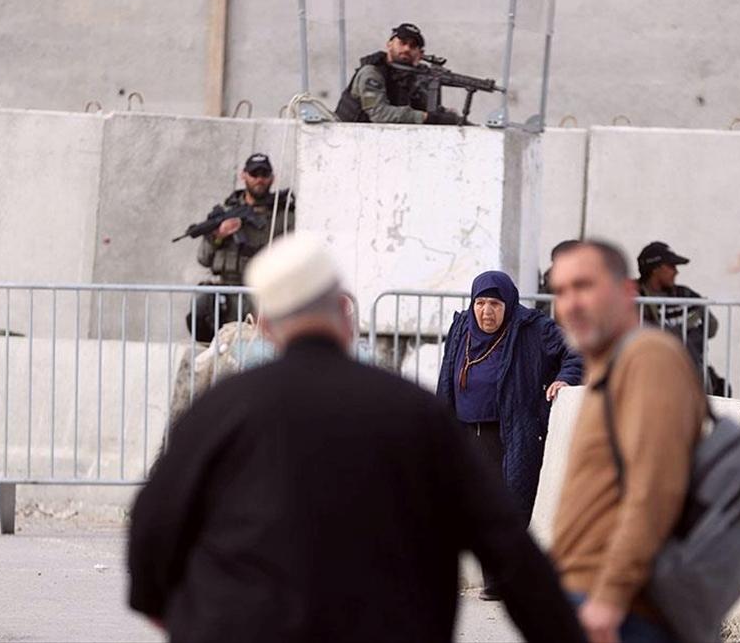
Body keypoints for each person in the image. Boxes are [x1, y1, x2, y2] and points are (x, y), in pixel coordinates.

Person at [129, 234, 585, 643]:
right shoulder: (413, 413)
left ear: (266, 327)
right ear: (346, 321)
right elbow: (503, 542)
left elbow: (152, 530)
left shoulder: (219, 410)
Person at [547, 240, 707, 643]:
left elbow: (655, 489)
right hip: (592, 595)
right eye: (560, 291)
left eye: (584, 286)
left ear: (627, 292)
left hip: (623, 606)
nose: (570, 303)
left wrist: (611, 596)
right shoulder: (608, 363)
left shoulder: (648, 357)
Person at [436, 270, 583, 600]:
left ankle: (503, 582)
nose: (486, 312)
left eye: (495, 304)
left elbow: (575, 351)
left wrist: (565, 379)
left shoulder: (532, 327)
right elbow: (447, 374)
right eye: (481, 303)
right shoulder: (462, 328)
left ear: (509, 304)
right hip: (462, 430)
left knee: (508, 505)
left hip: (510, 431)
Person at [187, 153, 294, 342]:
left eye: (264, 174)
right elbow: (204, 259)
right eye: (254, 174)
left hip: (263, 295)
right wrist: (219, 235)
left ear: (272, 177)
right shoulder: (226, 212)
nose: (259, 179)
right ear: (243, 175)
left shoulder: (283, 214)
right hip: (227, 297)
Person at [635, 241, 728, 396]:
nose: (676, 272)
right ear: (655, 269)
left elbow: (711, 328)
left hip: (690, 374)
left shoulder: (685, 295)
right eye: (671, 266)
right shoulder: (634, 295)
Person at [334, 22, 462, 125]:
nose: (407, 49)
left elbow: (425, 109)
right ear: (389, 44)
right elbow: (380, 114)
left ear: (420, 53)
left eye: (413, 46)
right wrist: (428, 118)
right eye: (402, 43)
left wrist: (451, 118)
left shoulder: (413, 78)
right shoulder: (372, 72)